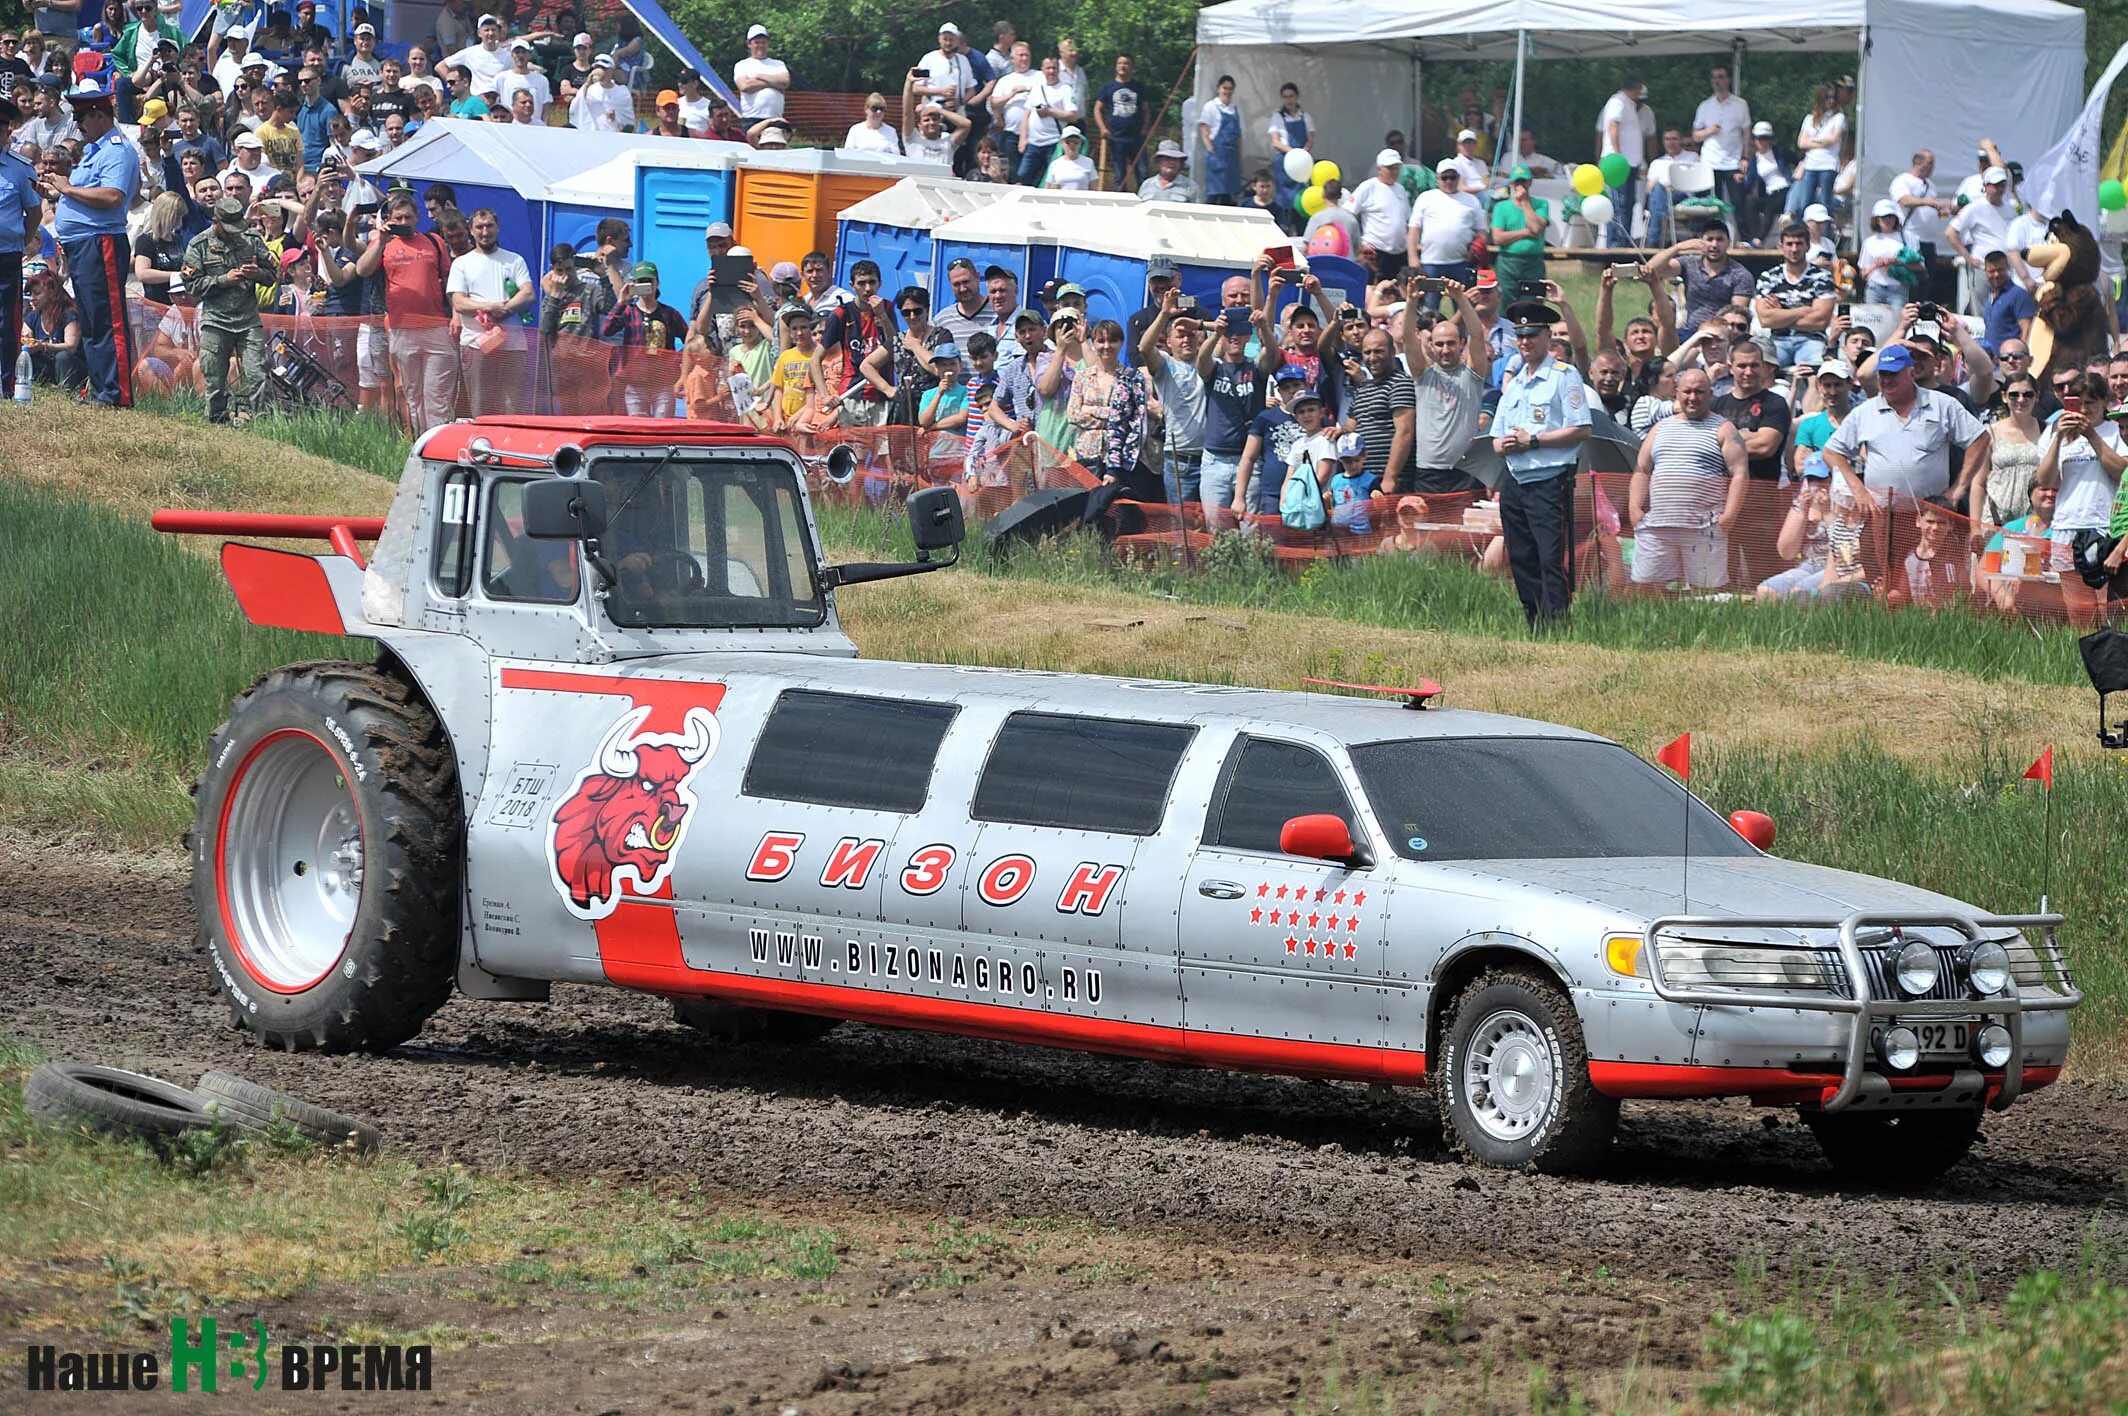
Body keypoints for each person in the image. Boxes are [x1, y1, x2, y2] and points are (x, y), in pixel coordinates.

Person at [1491, 296, 1592, 625]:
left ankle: (1558, 623)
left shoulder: (1564, 376)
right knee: (1520, 556)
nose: (1525, 342)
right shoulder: (1515, 384)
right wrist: (1506, 444)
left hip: (1549, 480)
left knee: (1551, 557)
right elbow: (1495, 440)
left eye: (1532, 334)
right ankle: (1533, 621)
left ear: (1548, 337)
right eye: (1520, 336)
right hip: (1516, 480)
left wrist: (1533, 440)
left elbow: (1580, 429)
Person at [41, 76, 137, 407]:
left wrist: (67, 189)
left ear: (99, 114)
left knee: (107, 320)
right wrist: (56, 193)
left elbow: (112, 195)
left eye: (82, 118)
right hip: (84, 244)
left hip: (102, 242)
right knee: (93, 320)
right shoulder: (95, 150)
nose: (78, 125)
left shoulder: (116, 150)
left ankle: (115, 394)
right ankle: (101, 389)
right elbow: (83, 195)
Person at [1627, 367, 1750, 591]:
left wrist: (1729, 516)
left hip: (1705, 526)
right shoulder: (1661, 427)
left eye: (1700, 392)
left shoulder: (1724, 429)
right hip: (1657, 526)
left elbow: (1740, 474)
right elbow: (1642, 469)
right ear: (1677, 392)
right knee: (1646, 591)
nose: (1693, 397)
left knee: (1707, 594)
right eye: (1687, 392)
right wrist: (1634, 508)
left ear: (1710, 394)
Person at [352, 189, 456, 433]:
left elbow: (449, 279)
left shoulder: (434, 241)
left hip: (436, 327)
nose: (403, 223)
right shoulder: (382, 243)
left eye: (408, 217)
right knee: (412, 393)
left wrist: (455, 316)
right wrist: (382, 243)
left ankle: (438, 444)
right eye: (397, 218)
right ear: (388, 220)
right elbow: (362, 270)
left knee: (437, 394)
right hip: (402, 328)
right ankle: (420, 444)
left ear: (417, 217)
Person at [2034, 371, 2125, 624]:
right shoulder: (2057, 433)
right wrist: (2059, 438)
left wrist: (2091, 436)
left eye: (2091, 402)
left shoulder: (2115, 431)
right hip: (2068, 527)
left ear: (2105, 402)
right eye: (2078, 403)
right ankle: (2081, 659)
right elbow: (2045, 480)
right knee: (2079, 611)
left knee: (2109, 608)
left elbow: (2121, 471)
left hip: (2105, 527)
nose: (2084, 409)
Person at [177, 194, 270, 423]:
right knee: (213, 374)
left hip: (248, 318)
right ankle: (216, 418)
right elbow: (192, 284)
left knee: (257, 372)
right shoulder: (199, 245)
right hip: (216, 319)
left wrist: (257, 274)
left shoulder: (252, 240)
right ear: (216, 221)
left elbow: (273, 274)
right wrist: (223, 280)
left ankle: (261, 421)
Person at [446, 206, 532, 416]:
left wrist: (504, 310)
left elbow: (528, 294)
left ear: (498, 227)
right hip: (476, 344)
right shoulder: (461, 263)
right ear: (471, 230)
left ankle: (510, 445)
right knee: (481, 403)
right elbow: (458, 302)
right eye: (480, 227)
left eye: (489, 226)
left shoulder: (514, 260)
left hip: (512, 345)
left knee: (513, 403)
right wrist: (486, 307)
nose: (485, 232)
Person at [601, 261, 686, 417]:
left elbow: (690, 339)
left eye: (649, 281)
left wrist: (676, 358)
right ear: (634, 284)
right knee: (638, 428)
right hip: (635, 383)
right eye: (641, 282)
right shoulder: (629, 311)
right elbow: (607, 330)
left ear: (657, 283)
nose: (646, 285)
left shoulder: (669, 313)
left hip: (663, 383)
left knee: (662, 429)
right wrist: (621, 302)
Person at [817, 258, 894, 426]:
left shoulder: (887, 308)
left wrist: (882, 316)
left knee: (884, 452)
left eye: (872, 282)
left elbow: (894, 345)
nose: (867, 289)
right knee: (855, 450)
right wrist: (825, 396)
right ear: (852, 285)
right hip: (852, 395)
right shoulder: (841, 314)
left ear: (880, 283)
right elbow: (815, 359)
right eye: (861, 283)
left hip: (883, 393)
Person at [1647, 219, 1753, 334]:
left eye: (1720, 240)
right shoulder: (1689, 263)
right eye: (1710, 239)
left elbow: (1737, 315)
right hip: (1691, 332)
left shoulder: (1740, 274)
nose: (1714, 245)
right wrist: (1678, 247)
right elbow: (1651, 269)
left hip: (1722, 334)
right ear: (1701, 241)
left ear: (1729, 242)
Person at [1754, 223, 1835, 368]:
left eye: (1799, 244)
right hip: (1778, 340)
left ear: (1808, 246)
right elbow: (1765, 320)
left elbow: (1820, 321)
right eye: (1789, 244)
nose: (1794, 249)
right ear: (1781, 247)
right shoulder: (1768, 277)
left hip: (1812, 340)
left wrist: (1780, 314)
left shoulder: (1822, 277)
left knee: (1815, 367)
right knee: (1762, 368)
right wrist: (1803, 310)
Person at [1975, 370, 2042, 535]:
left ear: (2036, 397)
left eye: (2027, 394)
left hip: (2033, 521)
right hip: (1995, 521)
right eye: (2014, 395)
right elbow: (1978, 483)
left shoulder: (2047, 431)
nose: (2021, 400)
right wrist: (1974, 527)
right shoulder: (1990, 433)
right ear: (2004, 396)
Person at [1595, 73, 1652, 246]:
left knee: (1628, 203)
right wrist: (1618, 155)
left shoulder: (1629, 104)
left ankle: (1625, 240)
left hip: (1630, 163)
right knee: (1618, 203)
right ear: (1635, 87)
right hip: (1619, 163)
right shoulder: (1617, 102)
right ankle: (1616, 242)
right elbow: (1613, 127)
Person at [1406, 162, 1481, 287]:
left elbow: (1481, 231)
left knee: (1463, 304)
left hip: (1461, 263)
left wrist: (1475, 253)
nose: (1449, 181)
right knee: (1429, 305)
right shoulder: (1425, 198)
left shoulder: (1471, 200)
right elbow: (1413, 230)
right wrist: (1413, 257)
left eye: (1452, 177)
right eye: (1444, 177)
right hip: (1430, 262)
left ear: (1458, 178)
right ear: (1437, 179)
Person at [1691, 64, 1749, 210]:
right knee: (1711, 206)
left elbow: (1746, 132)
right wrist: (1708, 131)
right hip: (1710, 162)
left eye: (1721, 77)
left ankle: (1745, 234)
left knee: (1738, 205)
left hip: (1733, 162)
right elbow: (1695, 136)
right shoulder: (1705, 106)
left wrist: (1745, 157)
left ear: (1728, 80)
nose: (1717, 81)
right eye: (1714, 78)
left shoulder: (1740, 104)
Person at [1346, 149, 1411, 279]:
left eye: (1396, 168)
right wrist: (1360, 243)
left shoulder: (1400, 189)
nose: (1394, 172)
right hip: (1376, 252)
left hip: (1400, 252)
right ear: (1379, 169)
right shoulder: (1368, 187)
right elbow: (1348, 214)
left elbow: (1407, 220)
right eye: (1390, 168)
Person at [1016, 54, 1075, 186]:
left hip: (1054, 142)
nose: (1051, 71)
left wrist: (1050, 112)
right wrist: (1023, 138)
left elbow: (1072, 115)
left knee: (1054, 178)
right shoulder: (1037, 88)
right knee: (1023, 175)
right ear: (1042, 70)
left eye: (1054, 68)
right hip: (1033, 143)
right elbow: (1027, 114)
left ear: (1058, 70)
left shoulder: (1066, 89)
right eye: (1048, 68)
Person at [1786, 84, 1843, 221]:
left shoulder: (1839, 117)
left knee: (1824, 203)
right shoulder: (1809, 119)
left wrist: (1813, 141)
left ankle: (1825, 235)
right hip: (1811, 165)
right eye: (1827, 97)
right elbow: (1801, 143)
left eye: (1833, 98)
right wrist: (1821, 142)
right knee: (1805, 201)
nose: (1831, 101)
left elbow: (1833, 139)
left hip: (1828, 165)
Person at [1489, 165, 1547, 296]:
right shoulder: (1501, 207)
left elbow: (1536, 228)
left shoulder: (1541, 205)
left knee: (1533, 304)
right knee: (1505, 302)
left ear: (1530, 182)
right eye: (1517, 182)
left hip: (1533, 263)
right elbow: (1498, 238)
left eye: (1523, 181)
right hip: (1508, 261)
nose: (1520, 185)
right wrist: (1526, 232)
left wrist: (1525, 202)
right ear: (1512, 183)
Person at [1094, 52, 1146, 191]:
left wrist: (1144, 130)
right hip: (1116, 138)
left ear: (1132, 67)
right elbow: (1097, 109)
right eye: (1120, 63)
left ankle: (1145, 200)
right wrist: (1103, 128)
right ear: (1116, 67)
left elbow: (1146, 110)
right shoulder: (1108, 87)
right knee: (1119, 176)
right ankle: (1121, 203)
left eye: (1127, 63)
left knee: (1142, 174)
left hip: (1137, 138)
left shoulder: (1138, 87)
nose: (1123, 66)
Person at [1265, 81, 1312, 216]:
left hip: (1302, 163)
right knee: (1283, 199)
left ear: (1296, 97)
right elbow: (1275, 142)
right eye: (1285, 97)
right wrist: (1293, 153)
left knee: (1301, 197)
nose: (1288, 100)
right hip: (1284, 161)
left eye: (1291, 96)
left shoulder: (1306, 117)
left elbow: (1310, 140)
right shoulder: (1277, 117)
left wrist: (1303, 153)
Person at [1197, 73, 1240, 206]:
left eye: (1230, 88)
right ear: (1218, 88)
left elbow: (1239, 135)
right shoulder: (1210, 106)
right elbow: (1204, 132)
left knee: (1229, 197)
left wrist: (1239, 156)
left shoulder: (1235, 109)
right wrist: (1212, 152)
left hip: (1232, 156)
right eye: (1224, 88)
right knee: (1214, 195)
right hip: (1217, 154)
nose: (1227, 91)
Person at [1138, 138, 1194, 203]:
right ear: (1158, 162)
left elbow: (1199, 211)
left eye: (1176, 159)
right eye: (1167, 159)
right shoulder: (1146, 184)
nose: (1172, 162)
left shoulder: (1190, 186)